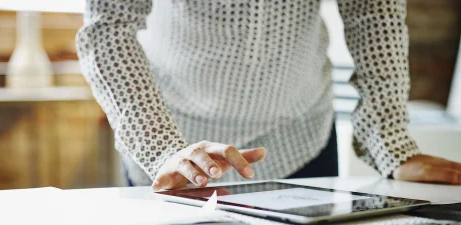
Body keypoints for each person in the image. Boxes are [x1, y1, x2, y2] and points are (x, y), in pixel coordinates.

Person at [77, 0, 461, 191]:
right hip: (176, 146)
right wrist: (161, 148)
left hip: (300, 138)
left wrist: (392, 144)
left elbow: (373, 15)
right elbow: (108, 28)